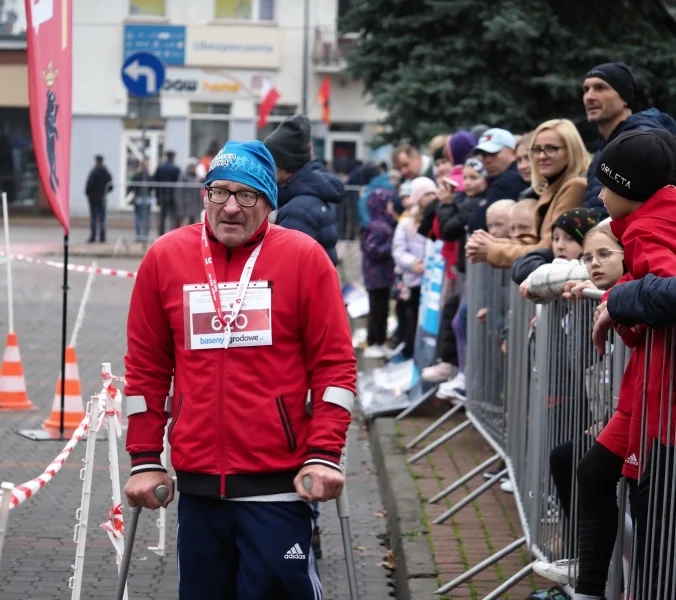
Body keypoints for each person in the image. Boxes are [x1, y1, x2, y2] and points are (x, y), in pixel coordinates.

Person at [123, 140, 356, 600]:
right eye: (219, 192)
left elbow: (334, 366)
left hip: (278, 486)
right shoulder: (166, 257)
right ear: (204, 195)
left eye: (247, 195)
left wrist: (324, 453)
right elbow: (147, 368)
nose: (230, 207)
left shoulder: (304, 257)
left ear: (268, 201)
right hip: (198, 489)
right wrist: (146, 459)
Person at [580, 130, 676, 600]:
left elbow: (666, 294)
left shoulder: (647, 228)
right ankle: (590, 586)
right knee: (595, 475)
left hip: (661, 406)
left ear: (628, 188)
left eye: (605, 184)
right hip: (647, 395)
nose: (599, 194)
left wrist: (618, 299)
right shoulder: (650, 220)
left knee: (654, 522)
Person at [467, 119, 589, 269]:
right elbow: (534, 241)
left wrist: (492, 249)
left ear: (571, 150)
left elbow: (549, 249)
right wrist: (492, 243)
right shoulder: (552, 186)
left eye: (551, 148)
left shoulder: (575, 186)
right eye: (537, 150)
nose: (542, 156)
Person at [582, 61, 676, 215]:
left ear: (625, 97)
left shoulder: (643, 145)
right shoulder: (604, 147)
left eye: (600, 88)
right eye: (586, 90)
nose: (589, 97)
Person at [264, 114, 343, 266]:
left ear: (282, 164)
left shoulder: (297, 210)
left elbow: (286, 266)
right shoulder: (311, 194)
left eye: (269, 161)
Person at [392, 177, 437, 360]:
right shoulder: (406, 223)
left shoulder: (437, 218)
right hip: (414, 280)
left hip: (433, 281)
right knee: (411, 319)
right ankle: (411, 353)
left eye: (433, 193)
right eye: (427, 194)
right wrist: (413, 264)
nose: (431, 197)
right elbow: (398, 250)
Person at [468, 128, 529, 231]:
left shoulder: (507, 182)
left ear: (513, 152)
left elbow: (477, 225)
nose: (487, 160)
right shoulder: (501, 179)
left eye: (493, 153)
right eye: (483, 155)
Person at [361, 189, 396, 358]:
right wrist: (391, 248)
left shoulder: (384, 223)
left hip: (384, 276)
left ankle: (381, 341)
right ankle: (373, 341)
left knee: (383, 310)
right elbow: (370, 249)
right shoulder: (377, 226)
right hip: (376, 276)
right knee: (376, 310)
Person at [84, 154, 113, 243]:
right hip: (102, 197)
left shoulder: (94, 171)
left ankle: (93, 236)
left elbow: (89, 184)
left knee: (94, 218)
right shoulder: (106, 172)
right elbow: (111, 185)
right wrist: (105, 193)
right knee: (102, 218)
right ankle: (102, 237)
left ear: (96, 161)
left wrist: (88, 194)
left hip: (94, 198)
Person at [154, 150, 181, 236]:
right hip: (173, 195)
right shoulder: (176, 168)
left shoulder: (160, 167)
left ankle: (161, 235)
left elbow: (155, 181)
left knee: (162, 217)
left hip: (162, 195)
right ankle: (172, 235)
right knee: (172, 217)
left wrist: (157, 196)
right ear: (173, 157)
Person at [126, 160, 153, 242]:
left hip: (138, 198)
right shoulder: (149, 176)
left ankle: (139, 235)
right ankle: (145, 235)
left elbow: (131, 187)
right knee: (147, 217)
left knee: (139, 217)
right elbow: (152, 188)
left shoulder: (136, 175)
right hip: (147, 198)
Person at [178, 158, 204, 226]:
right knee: (183, 219)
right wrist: (180, 202)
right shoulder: (184, 176)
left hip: (194, 201)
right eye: (194, 167)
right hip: (186, 201)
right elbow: (180, 190)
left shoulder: (196, 176)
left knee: (192, 219)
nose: (195, 168)